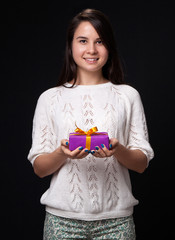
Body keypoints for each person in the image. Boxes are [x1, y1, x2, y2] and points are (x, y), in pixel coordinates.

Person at [28, 8, 154, 240]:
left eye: (100, 41)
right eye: (83, 41)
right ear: (71, 46)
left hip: (117, 221)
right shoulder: (49, 98)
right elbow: (39, 168)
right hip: (61, 222)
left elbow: (141, 164)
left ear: (109, 47)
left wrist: (118, 150)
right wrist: (62, 153)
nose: (91, 50)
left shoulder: (128, 96)